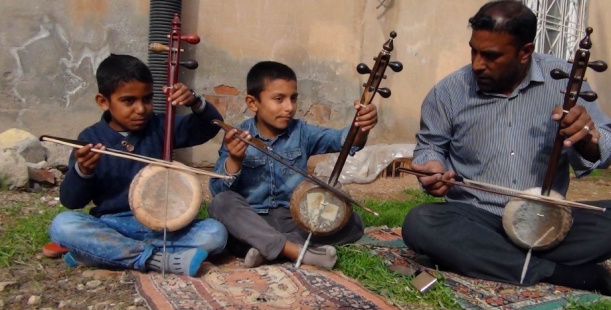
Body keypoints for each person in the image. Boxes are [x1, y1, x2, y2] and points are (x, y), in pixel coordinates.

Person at [402, 0, 611, 297]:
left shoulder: (566, 81)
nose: (477, 64)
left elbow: (605, 150)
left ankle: (485, 258)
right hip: (477, 218)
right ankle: (559, 272)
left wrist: (587, 139)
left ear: (525, 52)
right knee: (420, 223)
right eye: (474, 51)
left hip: (548, 222)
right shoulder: (449, 92)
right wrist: (432, 167)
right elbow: (430, 147)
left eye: (491, 56)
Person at [48, 54, 228, 276]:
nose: (141, 109)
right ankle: (155, 259)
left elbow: (209, 127)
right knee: (63, 224)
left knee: (215, 233)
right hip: (113, 224)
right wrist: (83, 171)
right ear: (103, 101)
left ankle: (102, 253)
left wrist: (196, 102)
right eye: (128, 101)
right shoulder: (91, 138)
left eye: (147, 99)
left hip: (162, 226)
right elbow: (71, 201)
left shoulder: (161, 126)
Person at [208, 61, 377, 269]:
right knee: (222, 204)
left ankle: (270, 249)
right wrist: (234, 160)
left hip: (295, 221)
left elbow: (344, 140)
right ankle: (297, 251)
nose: (289, 107)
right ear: (253, 103)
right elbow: (217, 190)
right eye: (279, 99)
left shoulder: (302, 132)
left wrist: (362, 127)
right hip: (254, 220)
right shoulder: (237, 135)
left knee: (354, 223)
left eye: (293, 98)